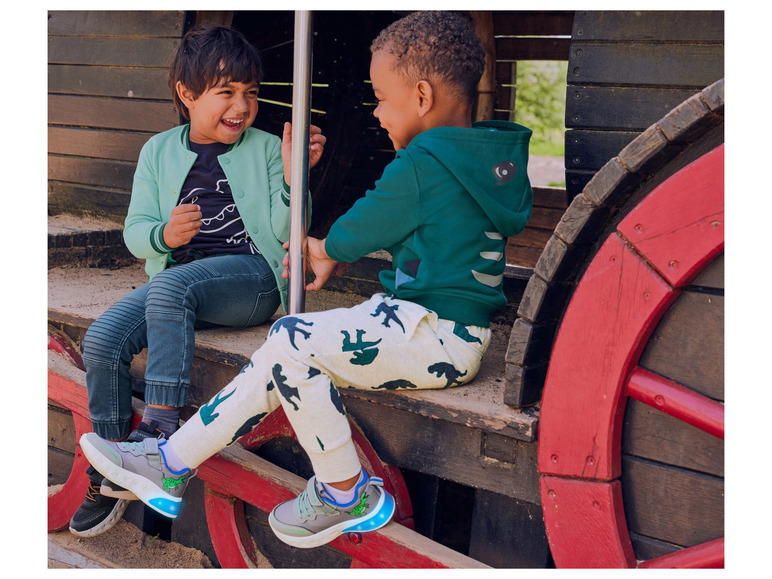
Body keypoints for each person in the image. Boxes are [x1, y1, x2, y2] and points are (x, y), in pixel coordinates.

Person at [80, 10, 532, 549]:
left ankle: (344, 489)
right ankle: (168, 463)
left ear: (421, 96)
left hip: (432, 333)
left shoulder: (423, 160)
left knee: (292, 339)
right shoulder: (488, 158)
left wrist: (327, 247)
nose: (376, 110)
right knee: (283, 345)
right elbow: (438, 228)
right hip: (426, 323)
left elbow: (369, 219)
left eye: (382, 98)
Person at [69, 24, 326, 538]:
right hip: (179, 283)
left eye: (250, 93)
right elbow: (135, 232)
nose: (242, 105)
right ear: (187, 95)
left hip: (250, 279)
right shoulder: (158, 152)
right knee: (101, 340)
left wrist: (297, 181)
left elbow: (286, 235)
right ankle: (114, 472)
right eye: (226, 92)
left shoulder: (266, 148)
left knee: (172, 288)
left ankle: (160, 429)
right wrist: (164, 234)